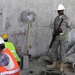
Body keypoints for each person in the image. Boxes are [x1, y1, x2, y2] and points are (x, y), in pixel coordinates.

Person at [47, 4, 72, 71]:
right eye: (58, 10)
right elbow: (54, 28)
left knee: (62, 52)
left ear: (63, 10)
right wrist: (53, 35)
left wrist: (63, 30)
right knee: (53, 50)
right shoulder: (56, 18)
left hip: (63, 37)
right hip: (56, 37)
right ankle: (54, 63)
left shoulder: (67, 18)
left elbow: (70, 27)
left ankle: (61, 65)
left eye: (60, 10)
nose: (59, 11)